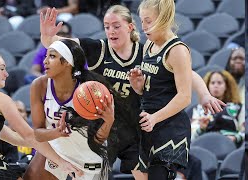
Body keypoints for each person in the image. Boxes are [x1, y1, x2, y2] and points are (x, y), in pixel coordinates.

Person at [39, 6, 225, 180]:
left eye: (116, 26)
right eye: (107, 26)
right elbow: (58, 45)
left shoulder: (146, 52)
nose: (111, 31)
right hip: (101, 128)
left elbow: (188, 74)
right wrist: (47, 39)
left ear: (130, 27)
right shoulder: (97, 49)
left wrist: (205, 94)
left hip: (133, 129)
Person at [0, 51, 82, 180]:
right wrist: (61, 162)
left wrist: (52, 136)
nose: (6, 74)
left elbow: (14, 138)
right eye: (2, 69)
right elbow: (30, 136)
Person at [24, 39, 130, 179]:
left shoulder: (91, 91)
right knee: (31, 175)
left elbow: (97, 140)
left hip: (87, 154)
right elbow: (37, 133)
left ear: (67, 62)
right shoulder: (39, 85)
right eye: (46, 56)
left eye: (52, 56)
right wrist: (57, 132)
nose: (45, 61)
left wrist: (108, 121)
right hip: (57, 149)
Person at [128, 0, 192, 179]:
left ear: (163, 19)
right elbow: (154, 89)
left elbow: (185, 97)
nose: (143, 27)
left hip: (169, 127)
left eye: (148, 21)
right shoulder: (149, 45)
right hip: (149, 122)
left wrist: (155, 118)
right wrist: (138, 86)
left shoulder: (177, 50)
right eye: (142, 21)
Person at [191, 70, 244, 147]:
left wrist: (235, 138)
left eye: (219, 83)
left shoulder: (238, 108)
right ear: (207, 86)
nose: (216, 85)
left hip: (230, 146)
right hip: (205, 145)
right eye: (212, 83)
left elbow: (244, 132)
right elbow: (192, 138)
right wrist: (201, 128)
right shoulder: (199, 108)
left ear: (226, 86)